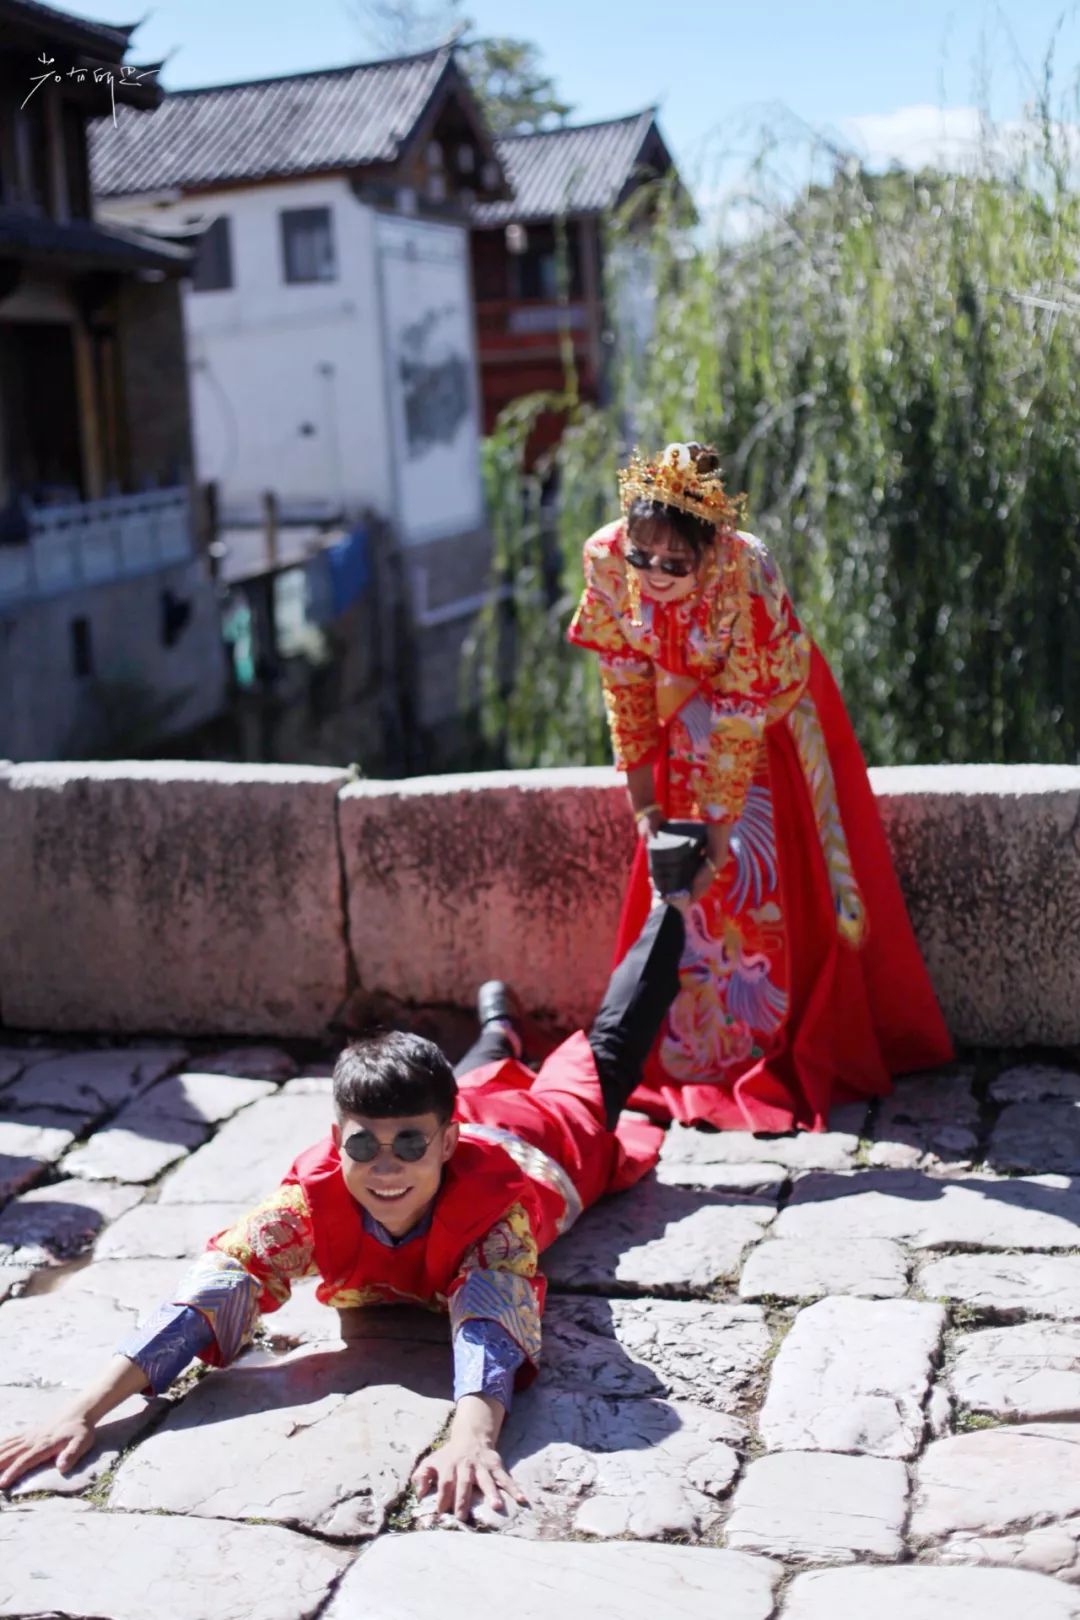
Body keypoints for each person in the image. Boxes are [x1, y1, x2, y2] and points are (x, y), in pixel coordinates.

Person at [0, 902, 686, 1520]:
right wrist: (80, 1413)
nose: (385, 1168)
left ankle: (671, 903)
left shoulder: (491, 1218)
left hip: (542, 1135)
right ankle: (500, 1029)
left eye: (409, 1145)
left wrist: (470, 1439)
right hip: (465, 1104)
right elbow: (209, 1296)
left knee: (607, 1056)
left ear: (446, 1143)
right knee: (472, 1077)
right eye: (364, 1145)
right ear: (336, 1140)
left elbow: (493, 1328)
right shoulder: (306, 1206)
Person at [567, 440, 953, 1134]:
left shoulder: (747, 569)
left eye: (674, 563)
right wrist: (643, 800)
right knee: (680, 873)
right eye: (641, 556)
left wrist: (718, 831)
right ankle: (689, 1050)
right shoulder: (603, 556)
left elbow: (743, 711)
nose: (652, 574)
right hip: (678, 714)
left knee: (757, 869)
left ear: (709, 549)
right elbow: (624, 679)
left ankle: (771, 1039)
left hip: (771, 717)